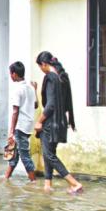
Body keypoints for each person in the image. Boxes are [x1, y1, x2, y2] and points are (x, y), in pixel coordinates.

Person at [34, 51, 84, 194]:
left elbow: (50, 105)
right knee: (49, 152)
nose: (41, 70)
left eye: (40, 67)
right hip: (61, 121)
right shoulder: (62, 77)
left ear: (44, 64)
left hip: (51, 122)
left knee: (49, 155)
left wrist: (39, 121)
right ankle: (47, 184)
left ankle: (74, 183)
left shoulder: (51, 78)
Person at [4, 61, 38, 182]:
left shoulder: (18, 90)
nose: (10, 76)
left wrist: (11, 131)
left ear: (14, 74)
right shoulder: (30, 88)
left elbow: (15, 111)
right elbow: (36, 105)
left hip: (21, 126)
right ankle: (6, 178)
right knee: (14, 154)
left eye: (10, 73)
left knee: (24, 156)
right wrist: (35, 90)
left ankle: (33, 181)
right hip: (28, 125)